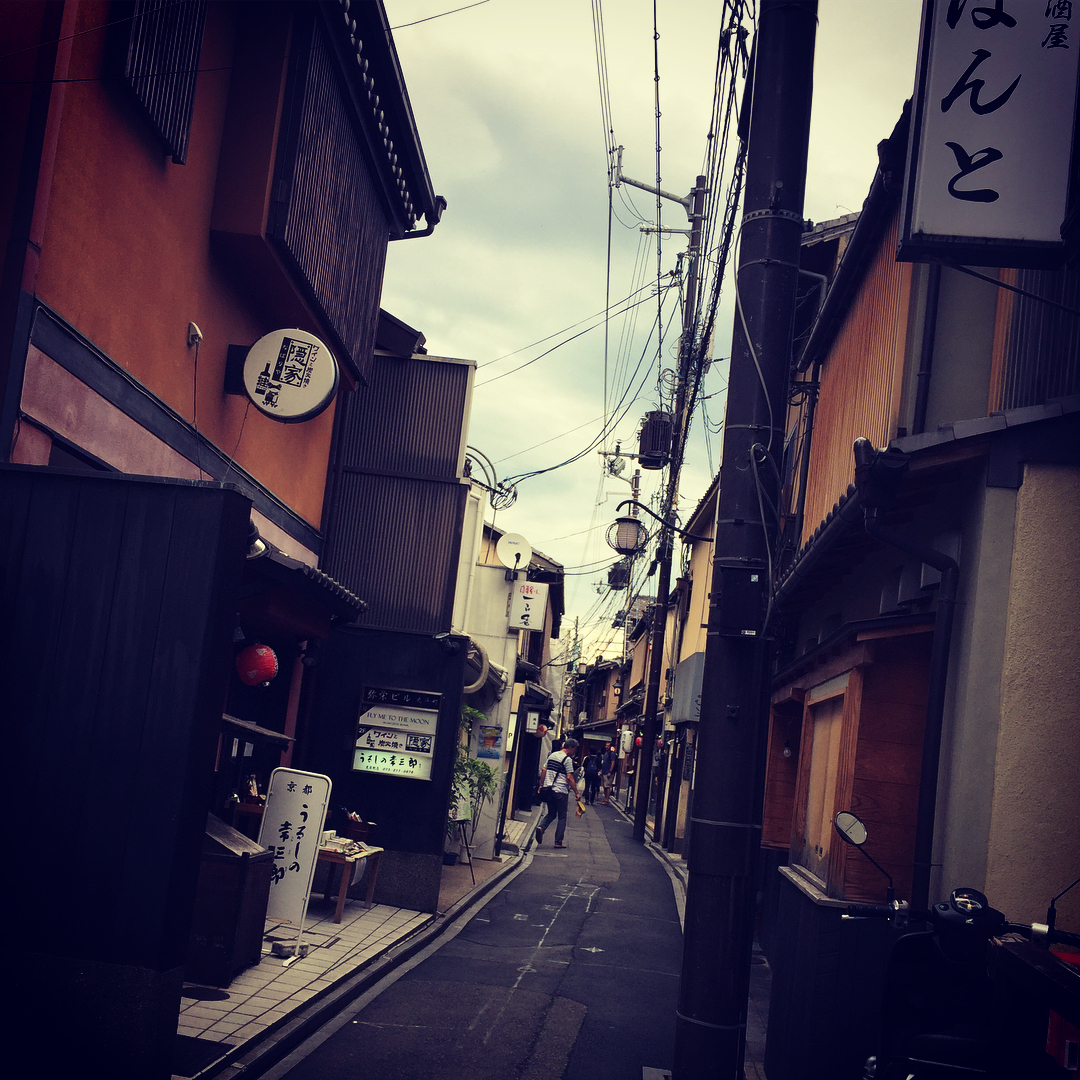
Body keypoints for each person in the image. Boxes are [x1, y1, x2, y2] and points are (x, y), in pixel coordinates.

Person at [535, 737, 580, 849]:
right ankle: (558, 842)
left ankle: (541, 827)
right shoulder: (567, 760)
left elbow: (544, 770)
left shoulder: (552, 755)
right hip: (561, 791)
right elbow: (569, 777)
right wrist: (576, 792)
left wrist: (541, 784)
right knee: (562, 816)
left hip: (549, 790)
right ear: (570, 747)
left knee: (551, 813)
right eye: (574, 749)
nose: (574, 752)